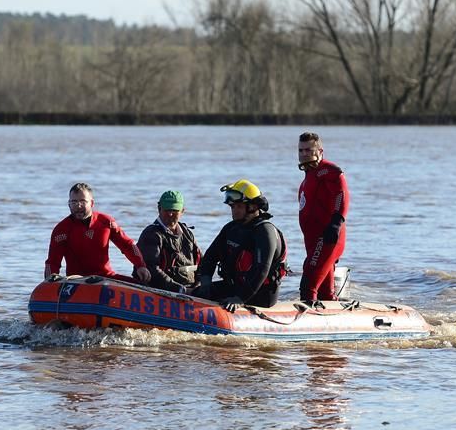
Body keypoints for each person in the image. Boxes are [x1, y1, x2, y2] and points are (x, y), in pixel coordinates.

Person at [195, 180, 287, 310]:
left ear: (253, 206)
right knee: (197, 293)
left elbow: (261, 270)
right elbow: (210, 257)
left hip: (260, 295)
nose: (234, 211)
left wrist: (240, 299)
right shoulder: (231, 228)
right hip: (235, 287)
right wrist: (205, 283)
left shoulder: (265, 232)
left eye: (238, 206)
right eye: (232, 207)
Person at [44, 182, 151, 284]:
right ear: (69, 204)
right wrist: (49, 283)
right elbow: (52, 262)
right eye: (74, 202)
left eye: (83, 201)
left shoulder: (106, 222)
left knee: (144, 285)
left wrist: (140, 265)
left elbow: (127, 245)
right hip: (76, 282)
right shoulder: (61, 230)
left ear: (91, 203)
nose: (78, 206)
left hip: (106, 277)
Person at [297, 131, 349, 302]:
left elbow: (341, 193)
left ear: (320, 152)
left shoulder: (326, 171)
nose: (304, 154)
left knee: (308, 284)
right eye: (301, 150)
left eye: (309, 150)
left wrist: (336, 222)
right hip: (313, 243)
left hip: (327, 238)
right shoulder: (307, 179)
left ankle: (307, 318)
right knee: (325, 294)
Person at [137, 190, 202, 293]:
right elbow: (152, 269)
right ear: (159, 209)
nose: (170, 214)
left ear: (182, 211)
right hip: (163, 290)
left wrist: (199, 286)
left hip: (190, 289)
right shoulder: (151, 234)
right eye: (166, 210)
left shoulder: (188, 233)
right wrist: (180, 289)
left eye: (174, 210)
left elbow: (202, 263)